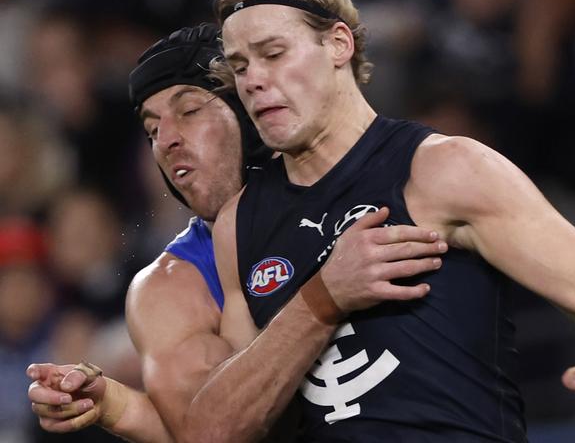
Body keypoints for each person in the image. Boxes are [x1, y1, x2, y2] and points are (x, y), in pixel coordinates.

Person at [179, 0, 575, 442]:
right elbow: (216, 431)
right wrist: (322, 300)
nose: (253, 80)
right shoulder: (241, 221)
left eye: (273, 53)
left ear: (338, 44)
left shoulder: (443, 169)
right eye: (239, 66)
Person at [27, 22, 447, 442]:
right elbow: (208, 434)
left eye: (189, 111)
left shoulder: (381, 192)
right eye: (153, 130)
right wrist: (324, 297)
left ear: (250, 112)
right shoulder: (168, 288)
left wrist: (125, 410)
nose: (167, 140)